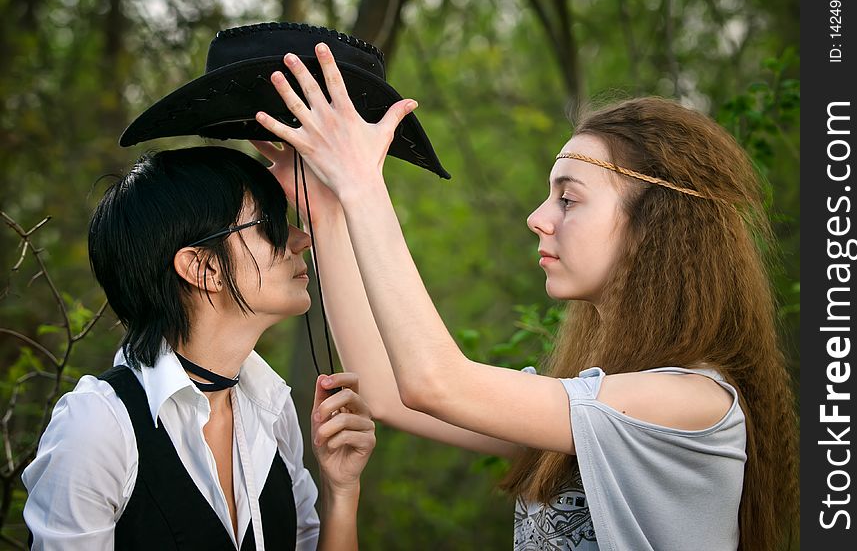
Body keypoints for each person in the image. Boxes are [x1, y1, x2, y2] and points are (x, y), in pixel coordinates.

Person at [251, 44, 799, 550]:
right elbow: (389, 391)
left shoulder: (693, 405)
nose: (538, 218)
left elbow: (435, 384)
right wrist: (327, 213)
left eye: (568, 198)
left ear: (652, 227)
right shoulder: (591, 402)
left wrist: (362, 184)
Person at [22, 146, 376, 550]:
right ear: (203, 268)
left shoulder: (271, 412)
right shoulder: (97, 429)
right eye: (271, 224)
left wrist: (341, 493)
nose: (301, 239)